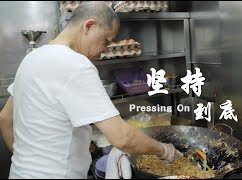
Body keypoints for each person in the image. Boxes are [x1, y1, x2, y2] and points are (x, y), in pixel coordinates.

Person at [0, 2, 182, 179]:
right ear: (89, 26)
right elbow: (123, 138)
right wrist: (165, 150)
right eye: (106, 41)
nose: (103, 50)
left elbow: (5, 118)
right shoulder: (76, 65)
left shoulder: (32, 58)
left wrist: (27, 162)